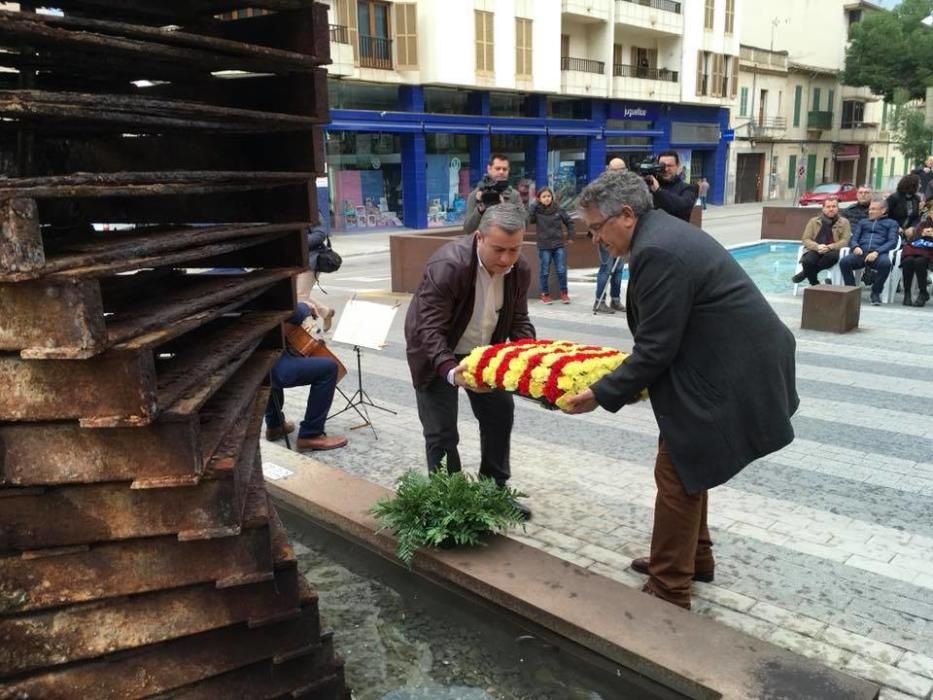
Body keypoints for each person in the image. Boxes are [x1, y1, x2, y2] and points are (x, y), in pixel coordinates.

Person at [563, 170, 798, 610]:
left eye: (597, 227)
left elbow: (656, 349)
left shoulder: (658, 251)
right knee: (689, 460)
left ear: (627, 215)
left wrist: (599, 393)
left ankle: (669, 588)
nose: (595, 238)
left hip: (735, 371)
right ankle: (695, 558)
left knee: (676, 472)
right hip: (727, 362)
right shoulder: (660, 235)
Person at [405, 202, 534, 519]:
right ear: (479, 237)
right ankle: (451, 504)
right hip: (436, 351)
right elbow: (429, 328)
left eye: (514, 250)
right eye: (498, 249)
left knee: (500, 413)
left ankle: (494, 491)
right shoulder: (448, 265)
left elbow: (519, 321)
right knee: (441, 432)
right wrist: (450, 371)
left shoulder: (520, 269)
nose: (506, 259)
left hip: (483, 351)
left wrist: (533, 357)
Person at [264, 299, 347, 451]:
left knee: (274, 351)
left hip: (252, 363)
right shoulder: (256, 281)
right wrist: (305, 307)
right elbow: (294, 315)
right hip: (271, 367)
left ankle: (274, 425)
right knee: (328, 368)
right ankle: (310, 435)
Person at [839, 197, 899, 306]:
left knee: (886, 264)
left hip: (878, 254)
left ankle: (876, 292)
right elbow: (853, 238)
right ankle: (852, 292)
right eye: (870, 209)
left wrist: (877, 252)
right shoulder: (863, 222)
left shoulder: (892, 223)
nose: (870, 211)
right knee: (844, 262)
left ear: (883, 210)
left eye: (874, 209)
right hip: (861, 253)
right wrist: (855, 247)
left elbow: (892, 242)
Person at [790, 197, 851, 286]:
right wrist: (817, 247)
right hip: (816, 248)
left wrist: (830, 247)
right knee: (807, 261)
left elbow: (845, 240)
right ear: (823, 208)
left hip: (832, 250)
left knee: (831, 257)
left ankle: (804, 274)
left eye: (834, 206)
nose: (831, 209)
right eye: (828, 207)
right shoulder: (814, 221)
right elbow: (805, 239)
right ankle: (814, 283)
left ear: (837, 208)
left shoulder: (844, 222)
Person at [529, 186, 574, 304]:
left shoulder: (558, 209)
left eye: (549, 196)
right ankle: (545, 294)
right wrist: (533, 207)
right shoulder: (537, 210)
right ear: (539, 198)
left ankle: (564, 293)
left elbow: (569, 222)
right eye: (544, 197)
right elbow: (530, 220)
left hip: (558, 244)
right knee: (544, 271)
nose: (547, 199)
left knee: (561, 270)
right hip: (544, 245)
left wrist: (571, 236)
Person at [593, 157, 627, 314]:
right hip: (606, 234)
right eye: (616, 170)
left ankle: (615, 300)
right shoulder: (601, 188)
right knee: (606, 268)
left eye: (622, 170)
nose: (620, 173)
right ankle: (599, 301)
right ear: (609, 170)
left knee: (619, 269)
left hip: (621, 234)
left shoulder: (627, 187)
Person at [462, 153, 522, 235]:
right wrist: (480, 210)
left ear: (508, 170)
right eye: (497, 168)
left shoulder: (514, 195)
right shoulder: (475, 195)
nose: (501, 172)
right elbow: (468, 230)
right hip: (482, 245)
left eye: (504, 169)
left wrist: (504, 207)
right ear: (489, 169)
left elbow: (523, 225)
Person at [645, 150, 697, 222]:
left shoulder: (688, 188)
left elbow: (683, 207)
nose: (666, 169)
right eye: (662, 166)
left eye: (670, 166)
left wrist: (658, 191)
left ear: (678, 166)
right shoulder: (648, 186)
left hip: (676, 231)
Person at [900, 199, 933, 306]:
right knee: (908, 260)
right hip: (918, 250)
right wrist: (922, 234)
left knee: (920, 261)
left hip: (929, 254)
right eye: (932, 211)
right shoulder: (923, 224)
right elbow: (914, 240)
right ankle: (907, 293)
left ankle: (923, 292)